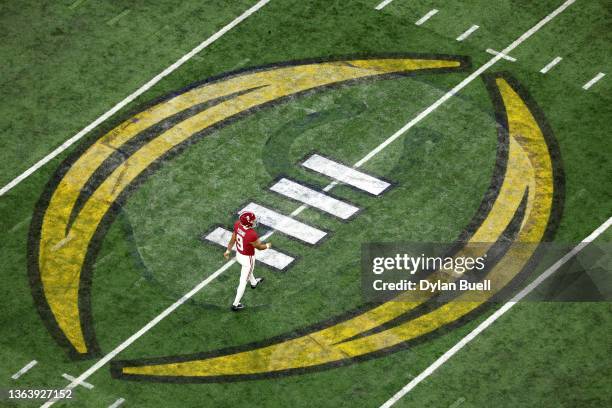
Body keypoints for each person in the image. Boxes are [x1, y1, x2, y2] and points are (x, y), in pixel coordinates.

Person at [224, 211, 271, 311]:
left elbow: (233, 239)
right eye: (253, 220)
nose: (254, 221)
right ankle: (235, 304)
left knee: (248, 272)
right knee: (243, 281)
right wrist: (267, 246)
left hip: (239, 254)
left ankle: (254, 283)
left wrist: (228, 250)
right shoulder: (251, 234)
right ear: (248, 223)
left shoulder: (237, 224)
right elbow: (259, 247)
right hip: (247, 259)